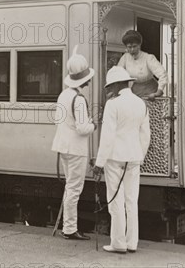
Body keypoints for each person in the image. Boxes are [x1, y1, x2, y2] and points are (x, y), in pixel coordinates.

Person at [94, 66, 151, 254]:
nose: (110, 90)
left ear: (118, 84)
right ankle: (132, 242)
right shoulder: (140, 103)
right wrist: (139, 155)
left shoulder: (113, 104)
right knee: (131, 201)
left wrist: (99, 163)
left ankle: (118, 243)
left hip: (115, 158)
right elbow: (145, 135)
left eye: (111, 86)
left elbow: (107, 136)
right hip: (134, 157)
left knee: (115, 201)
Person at [51, 45, 97, 240]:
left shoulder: (64, 95)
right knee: (75, 189)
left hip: (63, 146)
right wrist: (93, 124)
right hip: (76, 148)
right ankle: (69, 229)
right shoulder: (79, 99)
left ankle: (68, 226)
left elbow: (59, 120)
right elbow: (81, 128)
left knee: (70, 187)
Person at [117, 30, 167, 100]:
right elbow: (117, 73)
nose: (132, 50)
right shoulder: (125, 58)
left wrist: (159, 91)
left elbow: (162, 74)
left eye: (134, 46)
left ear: (139, 45)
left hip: (151, 92)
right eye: (129, 47)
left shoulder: (148, 58)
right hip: (134, 91)